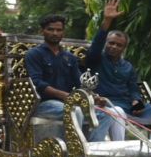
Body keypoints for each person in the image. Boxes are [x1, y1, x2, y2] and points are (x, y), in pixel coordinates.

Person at [86, 0, 151, 140]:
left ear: (124, 48)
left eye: (118, 45)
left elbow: (133, 89)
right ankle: (120, 150)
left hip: (126, 104)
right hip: (105, 104)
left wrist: (136, 101)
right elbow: (96, 45)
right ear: (106, 43)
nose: (114, 46)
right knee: (118, 111)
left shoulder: (127, 66)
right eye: (111, 43)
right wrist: (107, 21)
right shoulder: (96, 58)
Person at [25, 14, 116, 142]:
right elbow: (37, 83)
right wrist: (64, 95)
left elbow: (80, 83)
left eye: (59, 30)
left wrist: (93, 97)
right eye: (50, 29)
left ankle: (93, 152)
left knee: (106, 113)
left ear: (63, 32)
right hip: (44, 104)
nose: (55, 33)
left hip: (68, 102)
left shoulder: (70, 57)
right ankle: (74, 154)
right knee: (75, 110)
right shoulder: (34, 54)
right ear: (42, 31)